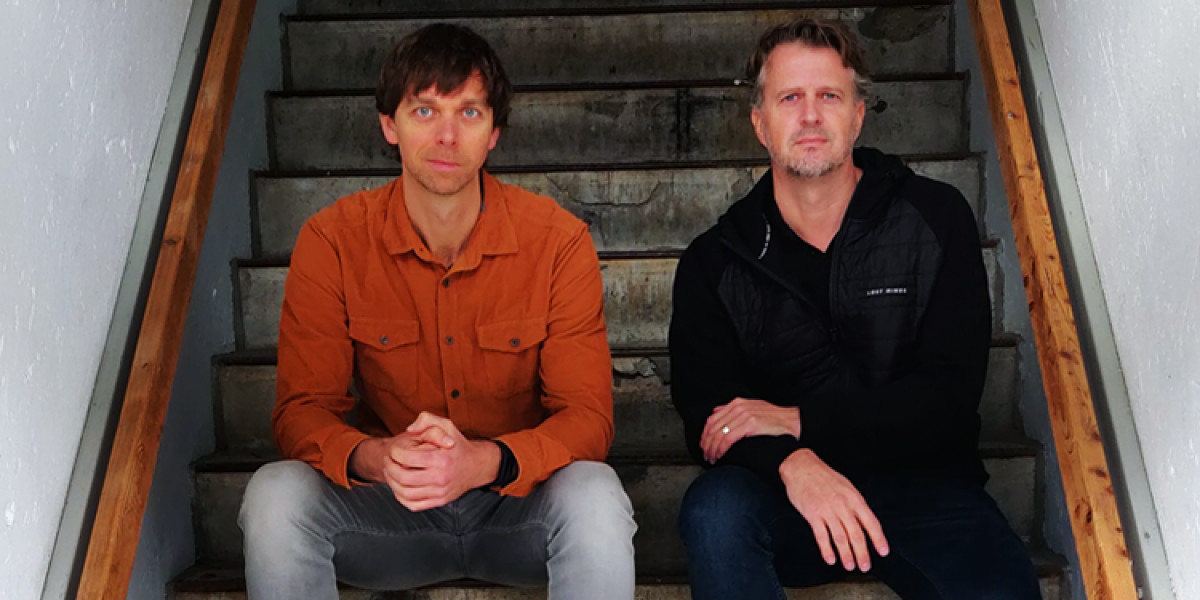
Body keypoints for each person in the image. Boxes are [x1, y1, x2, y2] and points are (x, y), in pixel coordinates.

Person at [238, 23, 636, 600]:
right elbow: (302, 413)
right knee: (274, 495)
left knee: (596, 494)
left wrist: (484, 462)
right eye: (424, 111)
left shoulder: (557, 242)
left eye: (469, 113)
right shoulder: (333, 241)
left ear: (494, 133)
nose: (447, 136)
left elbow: (588, 420)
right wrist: (379, 458)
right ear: (389, 125)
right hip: (389, 515)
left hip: (517, 512)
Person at [669, 18, 1041, 600]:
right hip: (785, 493)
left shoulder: (934, 218)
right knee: (715, 511)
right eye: (790, 98)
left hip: (926, 488)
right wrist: (794, 462)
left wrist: (801, 421)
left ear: (858, 115)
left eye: (829, 96)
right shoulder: (714, 261)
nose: (810, 116)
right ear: (760, 123)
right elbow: (711, 422)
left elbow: (946, 399)